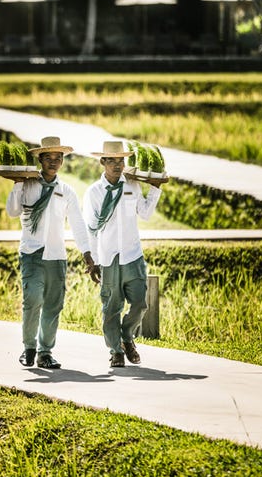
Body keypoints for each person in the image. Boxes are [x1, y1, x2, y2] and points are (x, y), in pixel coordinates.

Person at [5, 135, 93, 370]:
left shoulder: (66, 191)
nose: (53, 162)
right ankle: (29, 347)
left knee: (54, 304)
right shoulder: (28, 185)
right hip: (32, 253)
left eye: (58, 158)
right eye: (48, 158)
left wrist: (88, 255)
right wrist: (17, 184)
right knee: (32, 299)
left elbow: (78, 225)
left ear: (62, 161)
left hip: (56, 255)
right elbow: (13, 211)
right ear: (40, 160)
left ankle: (45, 352)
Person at [82, 140, 162, 368]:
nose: (118, 165)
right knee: (111, 308)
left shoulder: (133, 186)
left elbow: (145, 214)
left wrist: (155, 188)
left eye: (121, 160)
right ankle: (115, 351)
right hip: (108, 257)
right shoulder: (94, 192)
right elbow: (91, 229)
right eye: (112, 161)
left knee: (139, 304)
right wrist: (94, 261)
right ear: (103, 162)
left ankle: (127, 337)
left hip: (132, 254)